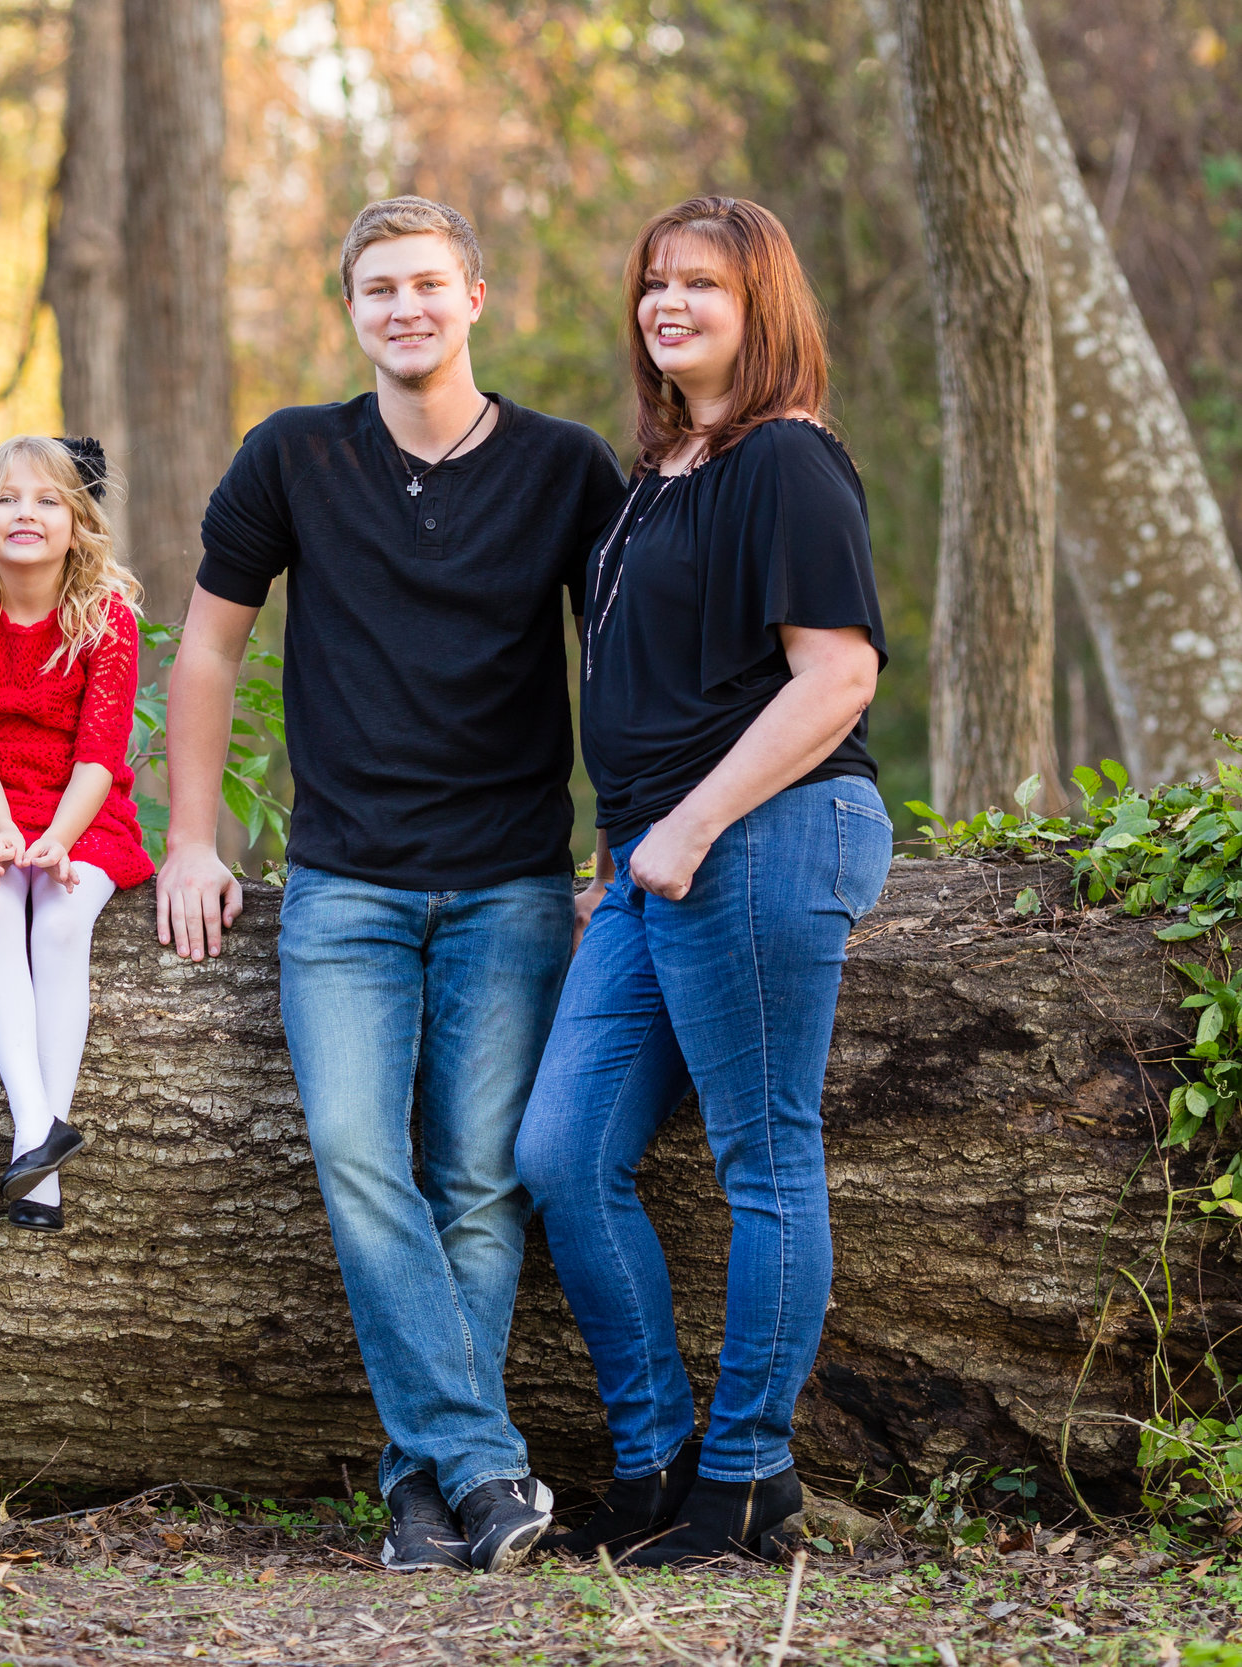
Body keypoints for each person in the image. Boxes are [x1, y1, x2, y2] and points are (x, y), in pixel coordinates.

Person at [158, 196, 628, 1573]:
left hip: (513, 887)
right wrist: (195, 839)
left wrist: (623, 840)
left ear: (476, 297)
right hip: (346, 885)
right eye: (378, 288)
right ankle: (483, 1465)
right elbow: (205, 651)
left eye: (428, 283)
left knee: (479, 1183)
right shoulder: (293, 457)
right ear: (351, 310)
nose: (405, 307)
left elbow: (628, 662)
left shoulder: (566, 468)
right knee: (364, 1162)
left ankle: (428, 1493)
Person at [514, 196, 890, 1564]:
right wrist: (633, 846)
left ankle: (746, 1480)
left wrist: (687, 826)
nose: (669, 305)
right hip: (652, 863)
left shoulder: (786, 460)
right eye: (655, 283)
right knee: (560, 1151)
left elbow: (836, 673)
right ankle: (657, 1454)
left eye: (703, 286)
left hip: (764, 836)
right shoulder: (666, 465)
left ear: (762, 307)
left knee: (764, 1157)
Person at [0, 436, 152, 1232]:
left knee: (58, 921)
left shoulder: (107, 622)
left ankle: (39, 1158)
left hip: (83, 812)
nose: (26, 513)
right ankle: (37, 1126)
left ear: (78, 521)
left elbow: (99, 754)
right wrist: (2, 834)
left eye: (48, 499)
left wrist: (56, 836)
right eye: (9, 498)